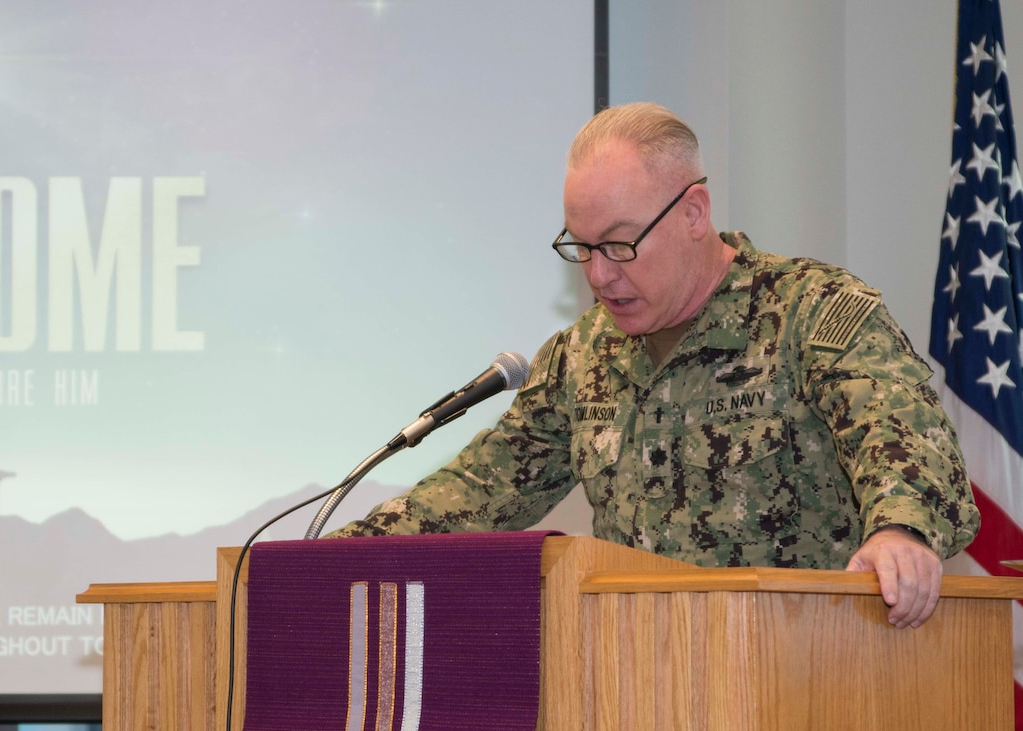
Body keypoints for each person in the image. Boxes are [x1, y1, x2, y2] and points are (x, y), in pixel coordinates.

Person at [333, 102, 978, 629]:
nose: (599, 274)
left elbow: (904, 439)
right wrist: (327, 564)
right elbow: (478, 491)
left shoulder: (811, 313)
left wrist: (900, 530)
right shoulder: (582, 357)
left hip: (808, 683)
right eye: (581, 248)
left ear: (694, 213)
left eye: (618, 244)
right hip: (638, 703)